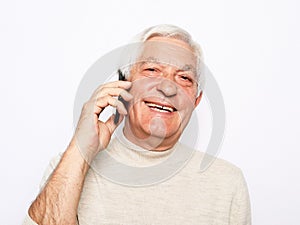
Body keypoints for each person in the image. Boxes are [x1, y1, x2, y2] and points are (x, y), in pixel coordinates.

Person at [23, 24, 251, 225]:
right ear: (125, 84)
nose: (168, 88)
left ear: (196, 101)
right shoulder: (69, 168)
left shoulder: (227, 182)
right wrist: (81, 147)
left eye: (184, 78)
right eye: (152, 70)